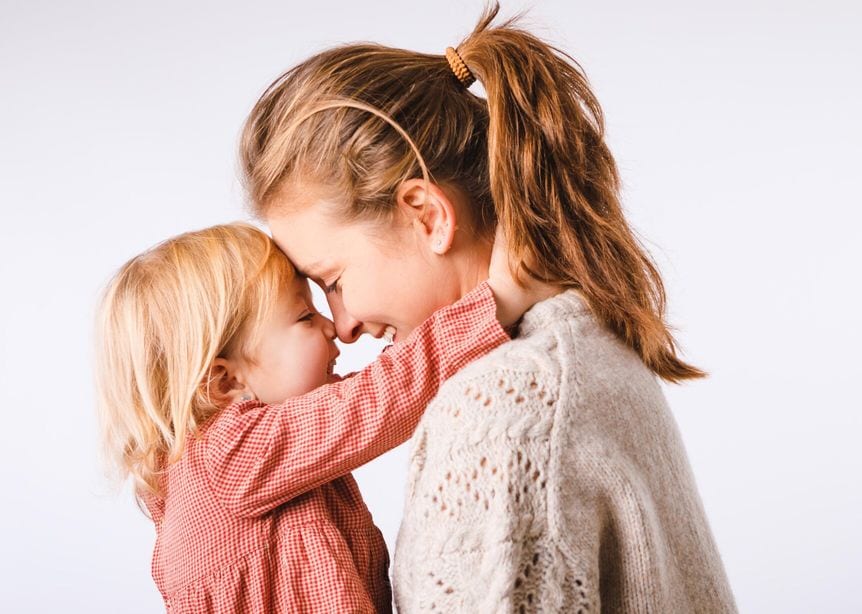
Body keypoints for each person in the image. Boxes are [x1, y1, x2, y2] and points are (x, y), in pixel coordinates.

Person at [240, 5, 737, 612]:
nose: (342, 326)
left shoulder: (501, 405)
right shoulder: (584, 332)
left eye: (335, 280)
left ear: (428, 215)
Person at [95, 222, 540, 613]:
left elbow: (373, 387)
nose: (333, 326)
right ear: (226, 382)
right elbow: (379, 397)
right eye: (305, 316)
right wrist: (497, 300)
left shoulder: (235, 462)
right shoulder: (230, 457)